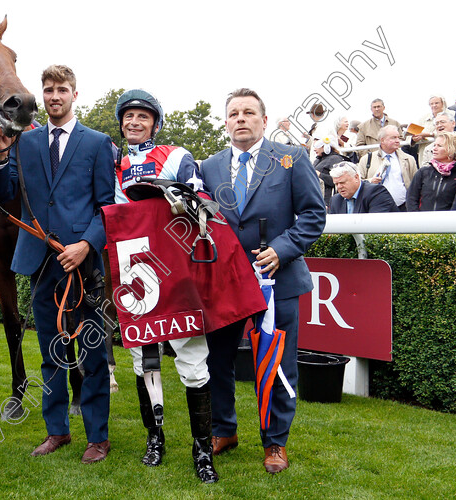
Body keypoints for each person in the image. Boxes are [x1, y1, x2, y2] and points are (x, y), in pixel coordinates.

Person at [0, 64, 114, 464]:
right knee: (52, 351)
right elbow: (3, 192)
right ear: (41, 96)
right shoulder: (24, 143)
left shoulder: (97, 142)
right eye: (48, 89)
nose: (54, 96)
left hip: (84, 265)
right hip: (42, 262)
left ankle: (98, 436)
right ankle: (57, 431)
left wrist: (85, 245)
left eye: (61, 89)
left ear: (74, 95)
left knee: (92, 355)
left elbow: (107, 207)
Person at [198, 88, 326, 474]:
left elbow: (313, 215)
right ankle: (224, 430)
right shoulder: (209, 167)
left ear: (264, 120)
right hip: (225, 286)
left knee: (277, 364)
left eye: (249, 112)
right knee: (217, 361)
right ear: (225, 122)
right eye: (234, 113)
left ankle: (275, 443)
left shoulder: (291, 158)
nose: (241, 118)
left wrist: (282, 249)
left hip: (278, 283)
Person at [110, 89, 216, 482]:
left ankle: (202, 450)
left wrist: (177, 198)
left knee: (192, 360)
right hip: (136, 275)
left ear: (154, 122)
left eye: (142, 116)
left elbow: (203, 199)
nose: (134, 122)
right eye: (128, 116)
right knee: (144, 360)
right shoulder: (114, 164)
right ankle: (155, 439)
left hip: (176, 269)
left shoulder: (176, 155)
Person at [357, 125, 418, 211]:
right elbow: (357, 182)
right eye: (393, 138)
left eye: (398, 137)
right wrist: (370, 181)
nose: (397, 140)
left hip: (403, 207)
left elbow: (415, 184)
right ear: (382, 140)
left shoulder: (408, 159)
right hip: (376, 207)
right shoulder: (367, 159)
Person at [406, 132, 456, 211]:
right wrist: (417, 219)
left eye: (439, 146)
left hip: (449, 221)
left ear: (451, 149)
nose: (434, 149)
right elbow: (411, 198)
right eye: (434, 145)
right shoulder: (423, 172)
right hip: (423, 221)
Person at [328, 162, 398, 214]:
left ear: (356, 177)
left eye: (343, 183)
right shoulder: (335, 200)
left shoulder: (376, 192)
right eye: (336, 184)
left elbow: (376, 226)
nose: (339, 187)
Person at [312, 135, 349, 209]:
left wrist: (320, 175)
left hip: (328, 199)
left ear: (324, 147)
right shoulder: (317, 160)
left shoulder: (336, 159)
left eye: (317, 147)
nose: (314, 149)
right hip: (317, 196)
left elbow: (339, 180)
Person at [413, 96, 447, 166]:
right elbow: (415, 132)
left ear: (442, 103)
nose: (434, 105)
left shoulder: (451, 114)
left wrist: (429, 134)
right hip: (425, 152)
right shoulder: (423, 118)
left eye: (436, 103)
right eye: (431, 104)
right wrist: (414, 138)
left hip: (444, 150)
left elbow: (449, 132)